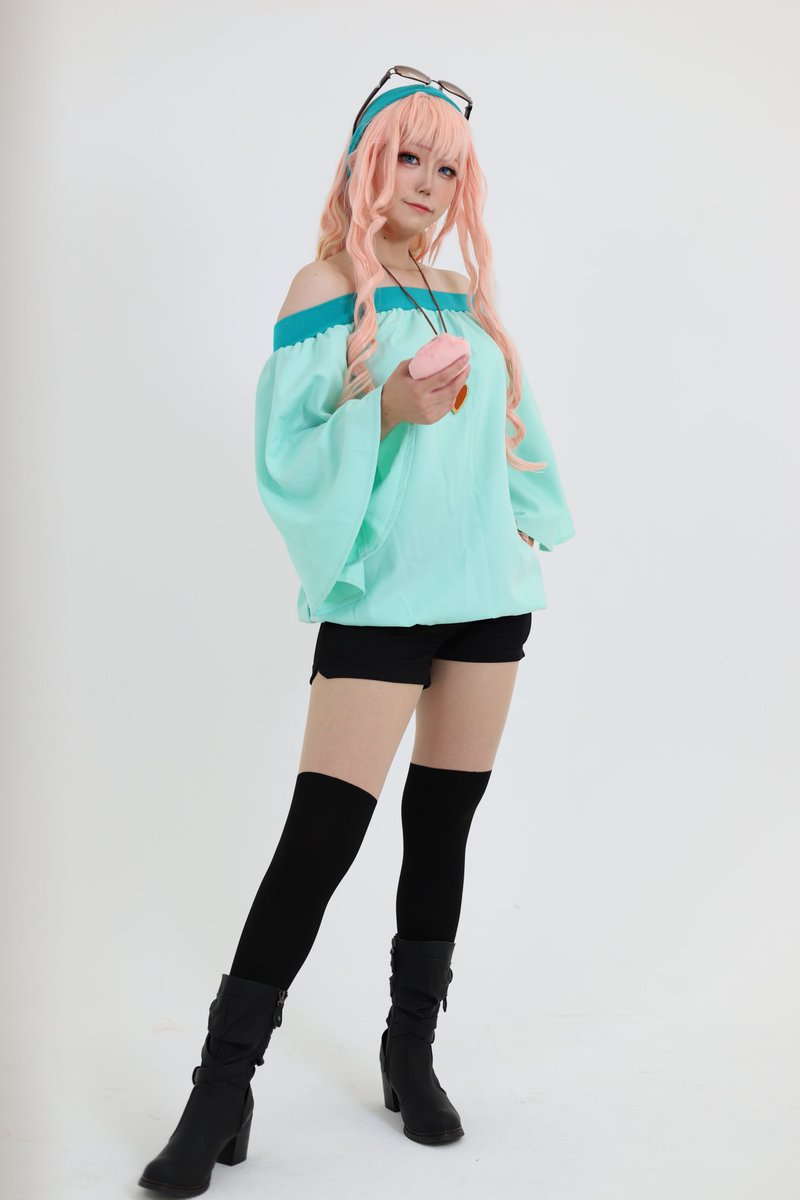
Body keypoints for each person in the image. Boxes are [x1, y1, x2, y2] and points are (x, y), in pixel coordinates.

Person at [138, 68, 576, 1197]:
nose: (427, 183)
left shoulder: (461, 295)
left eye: (447, 167)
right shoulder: (324, 287)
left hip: (487, 595)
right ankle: (221, 1088)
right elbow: (284, 457)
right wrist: (384, 406)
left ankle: (408, 1051)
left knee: (442, 831)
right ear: (366, 163)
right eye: (408, 157)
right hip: (379, 599)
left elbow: (512, 425)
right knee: (320, 839)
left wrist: (531, 519)